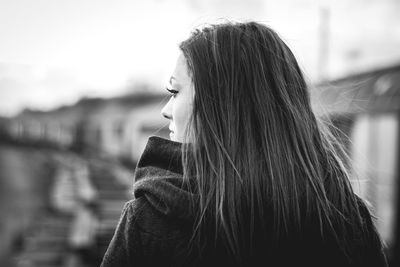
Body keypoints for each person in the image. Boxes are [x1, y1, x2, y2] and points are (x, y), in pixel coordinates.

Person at [100, 21, 388, 267]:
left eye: (174, 91)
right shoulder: (347, 220)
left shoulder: (150, 221)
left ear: (222, 106)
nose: (166, 110)